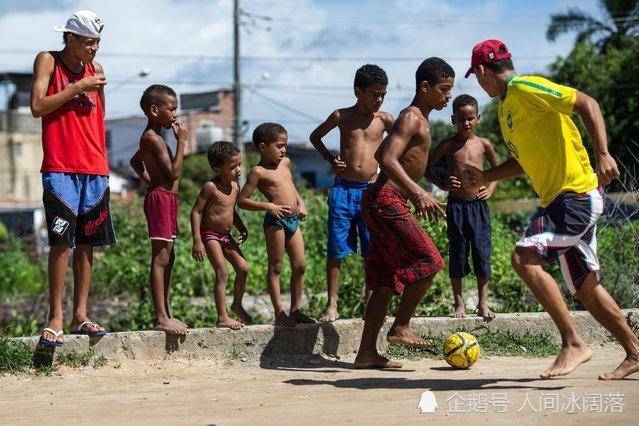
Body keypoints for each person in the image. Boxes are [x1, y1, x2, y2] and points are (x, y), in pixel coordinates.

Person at [463, 39, 639, 380]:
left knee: (523, 258)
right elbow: (523, 161)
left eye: (477, 76)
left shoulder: (526, 86)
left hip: (573, 195)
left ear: (483, 71)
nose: (479, 83)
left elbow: (587, 103)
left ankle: (573, 342)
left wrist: (602, 153)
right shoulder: (506, 108)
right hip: (558, 200)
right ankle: (634, 352)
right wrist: (486, 175)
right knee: (586, 286)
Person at [354, 58, 453, 369]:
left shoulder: (420, 120)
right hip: (386, 201)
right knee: (431, 261)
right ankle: (401, 326)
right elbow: (387, 159)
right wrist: (418, 193)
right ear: (425, 87)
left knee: (382, 282)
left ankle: (366, 353)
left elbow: (390, 155)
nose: (447, 96)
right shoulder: (411, 117)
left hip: (380, 201)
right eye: (444, 89)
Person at [30, 10, 114, 346]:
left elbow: (100, 115)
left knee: (88, 242)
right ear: (70, 39)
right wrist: (78, 86)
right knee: (61, 241)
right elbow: (38, 106)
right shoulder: (48, 61)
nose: (95, 48)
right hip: (60, 165)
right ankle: (56, 317)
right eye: (89, 42)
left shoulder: (98, 70)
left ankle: (81, 315)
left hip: (95, 166)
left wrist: (102, 162)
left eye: (97, 42)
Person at [310, 64, 394, 323]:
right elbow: (315, 137)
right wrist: (330, 159)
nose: (378, 99)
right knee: (336, 249)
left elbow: (403, 147)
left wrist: (390, 179)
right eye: (374, 93)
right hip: (343, 190)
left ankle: (370, 304)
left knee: (373, 251)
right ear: (358, 91)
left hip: (371, 191)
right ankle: (332, 304)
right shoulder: (341, 116)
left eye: (383, 94)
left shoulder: (385, 120)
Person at [425, 94, 499, 319]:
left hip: (478, 206)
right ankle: (459, 305)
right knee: (457, 252)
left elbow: (497, 172)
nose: (465, 123)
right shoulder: (448, 145)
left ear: (478, 118)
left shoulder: (484, 144)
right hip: (456, 205)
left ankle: (483, 304)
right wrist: (444, 183)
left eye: (469, 118)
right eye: (460, 119)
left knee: (480, 251)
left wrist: (491, 189)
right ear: (452, 120)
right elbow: (426, 168)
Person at [237, 123, 315, 328]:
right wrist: (267, 206)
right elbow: (242, 200)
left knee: (300, 265)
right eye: (279, 146)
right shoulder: (258, 171)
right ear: (263, 147)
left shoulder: (286, 163)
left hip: (293, 221)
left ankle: (296, 310)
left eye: (285, 145)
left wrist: (301, 203)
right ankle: (280, 312)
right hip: (276, 222)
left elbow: (291, 186)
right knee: (276, 266)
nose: (284, 150)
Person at [130, 84, 188, 335]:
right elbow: (174, 172)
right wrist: (183, 143)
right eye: (171, 109)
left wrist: (149, 178)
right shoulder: (151, 138)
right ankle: (161, 317)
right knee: (161, 256)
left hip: (166, 199)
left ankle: (167, 311)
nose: (175, 114)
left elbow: (135, 161)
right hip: (161, 200)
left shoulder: (154, 139)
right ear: (155, 110)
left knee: (169, 257)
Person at [190, 142, 251, 330]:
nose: (238, 170)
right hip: (210, 235)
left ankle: (237, 304)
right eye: (233, 167)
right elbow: (196, 212)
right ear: (217, 169)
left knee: (243, 268)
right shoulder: (211, 187)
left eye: (239, 164)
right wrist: (197, 240)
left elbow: (232, 212)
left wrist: (242, 228)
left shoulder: (235, 188)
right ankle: (222, 317)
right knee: (222, 272)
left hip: (226, 235)